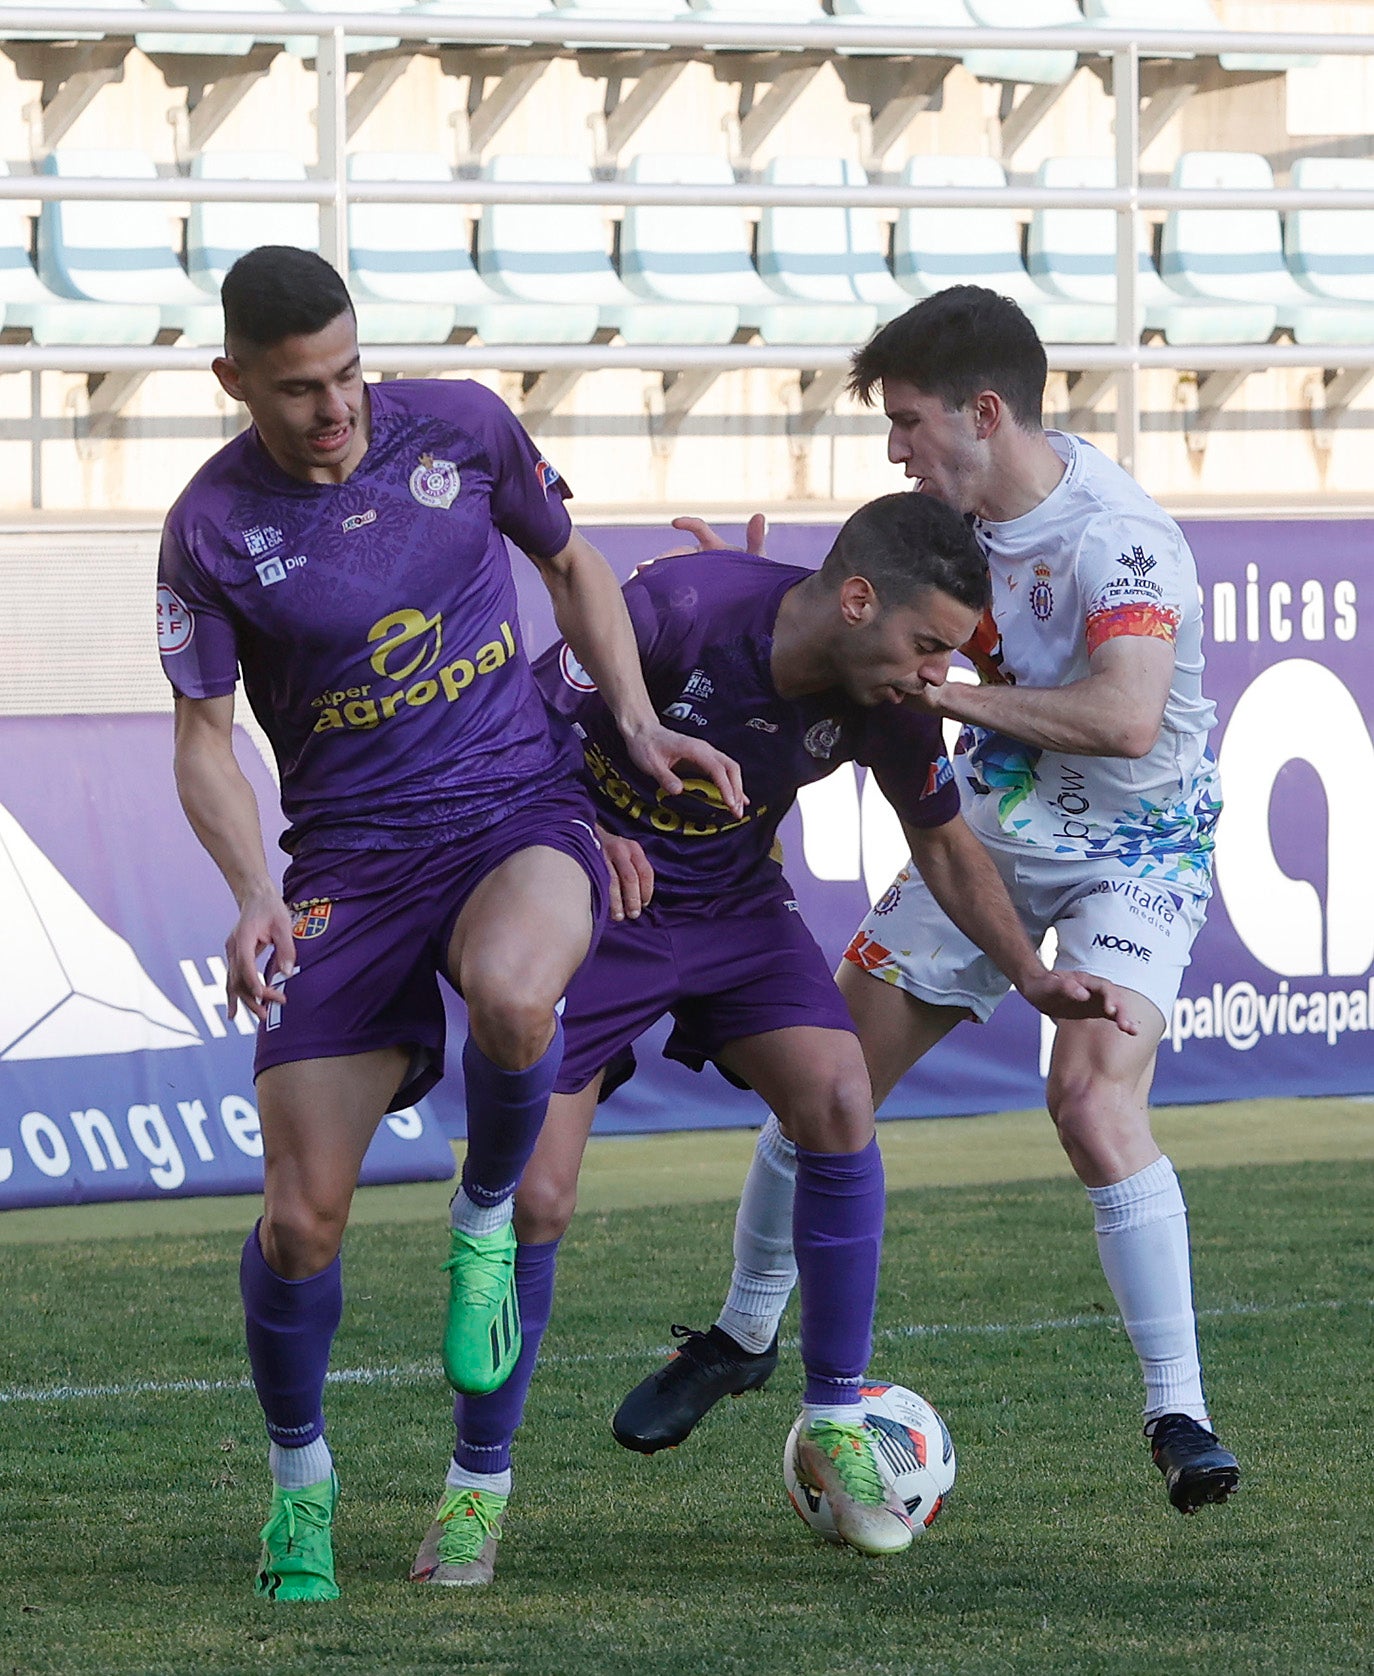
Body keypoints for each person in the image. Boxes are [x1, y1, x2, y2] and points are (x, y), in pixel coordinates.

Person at [409, 490, 1134, 1585]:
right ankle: (475, 1491)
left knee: (840, 1093)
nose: (937, 673)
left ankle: (836, 1411)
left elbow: (941, 844)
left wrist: (1032, 975)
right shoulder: (677, 612)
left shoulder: (890, 697)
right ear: (854, 600)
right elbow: (509, 737)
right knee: (539, 1199)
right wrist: (587, 829)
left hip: (736, 911)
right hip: (595, 900)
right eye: (928, 643)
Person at [157, 245, 742, 1602]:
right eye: (300, 387)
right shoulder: (207, 527)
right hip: (347, 869)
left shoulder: (464, 427)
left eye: (351, 372)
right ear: (234, 378)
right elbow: (200, 741)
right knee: (301, 1222)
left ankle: (481, 1244)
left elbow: (573, 563)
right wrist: (252, 894)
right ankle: (300, 1492)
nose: (336, 408)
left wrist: (639, 721)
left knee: (515, 997)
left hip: (513, 816)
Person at [613, 284, 1240, 1519]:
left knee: (1087, 1092)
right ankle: (743, 1334)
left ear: (985, 412)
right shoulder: (939, 530)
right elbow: (861, 606)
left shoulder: (1116, 537)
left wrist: (940, 698)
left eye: (908, 421)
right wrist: (732, 595)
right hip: (994, 834)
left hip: (1140, 843)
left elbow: (1122, 718)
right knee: (827, 1074)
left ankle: (1181, 1408)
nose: (894, 447)